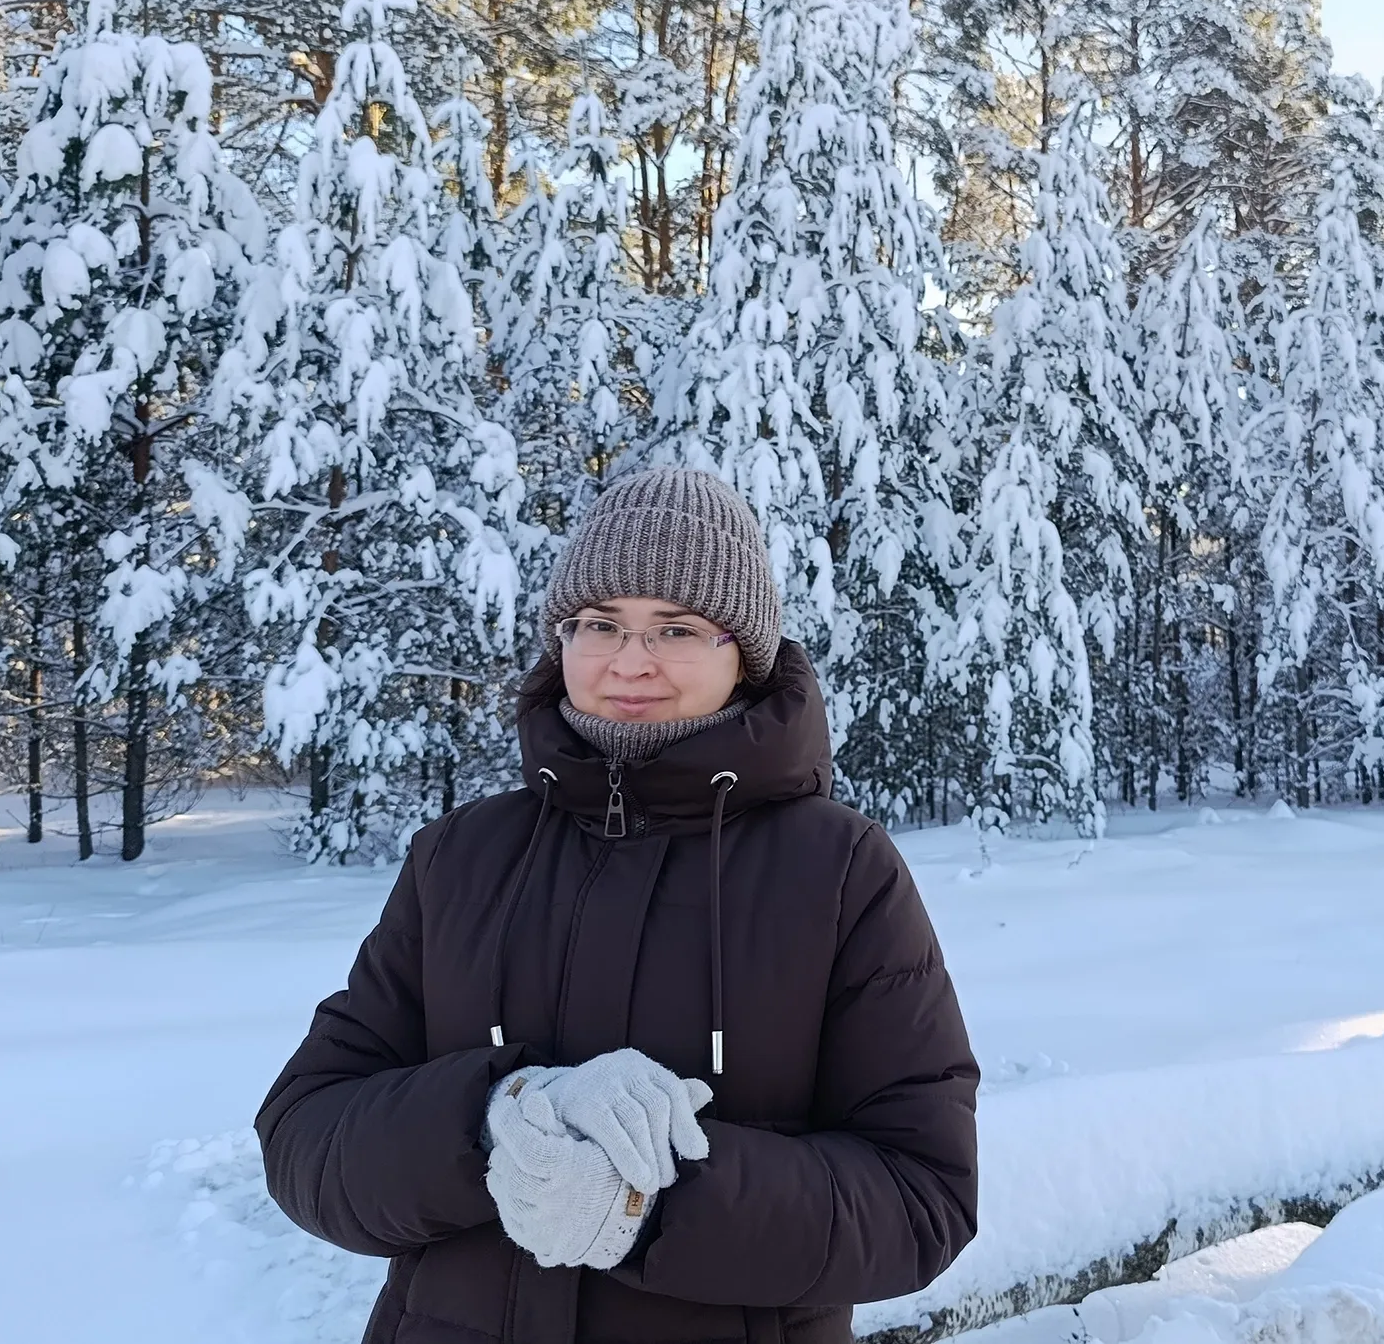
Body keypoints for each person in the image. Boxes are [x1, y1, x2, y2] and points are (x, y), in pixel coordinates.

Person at [256, 467, 980, 1344]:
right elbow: (305, 1138)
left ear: (740, 656)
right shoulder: (460, 857)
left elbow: (921, 1199)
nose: (629, 662)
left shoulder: (836, 869)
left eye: (675, 629)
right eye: (600, 624)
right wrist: (492, 1118)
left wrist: (646, 1204)